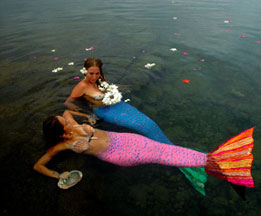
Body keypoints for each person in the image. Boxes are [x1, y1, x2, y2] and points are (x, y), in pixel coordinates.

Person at [64, 58, 208, 195]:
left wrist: (118, 90)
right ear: (85, 72)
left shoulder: (100, 80)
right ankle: (177, 157)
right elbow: (68, 103)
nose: (94, 76)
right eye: (91, 73)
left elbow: (107, 89)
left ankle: (173, 151)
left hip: (118, 105)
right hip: (105, 111)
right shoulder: (81, 86)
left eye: (97, 73)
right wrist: (88, 114)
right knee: (142, 126)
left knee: (149, 123)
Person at [34, 110, 255, 190]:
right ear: (61, 133)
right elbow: (38, 165)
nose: (67, 120)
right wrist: (58, 175)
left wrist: (86, 119)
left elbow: (66, 110)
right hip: (120, 154)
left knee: (164, 148)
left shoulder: (71, 124)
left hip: (124, 139)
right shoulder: (64, 144)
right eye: (63, 123)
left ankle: (213, 161)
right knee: (163, 155)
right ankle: (216, 163)